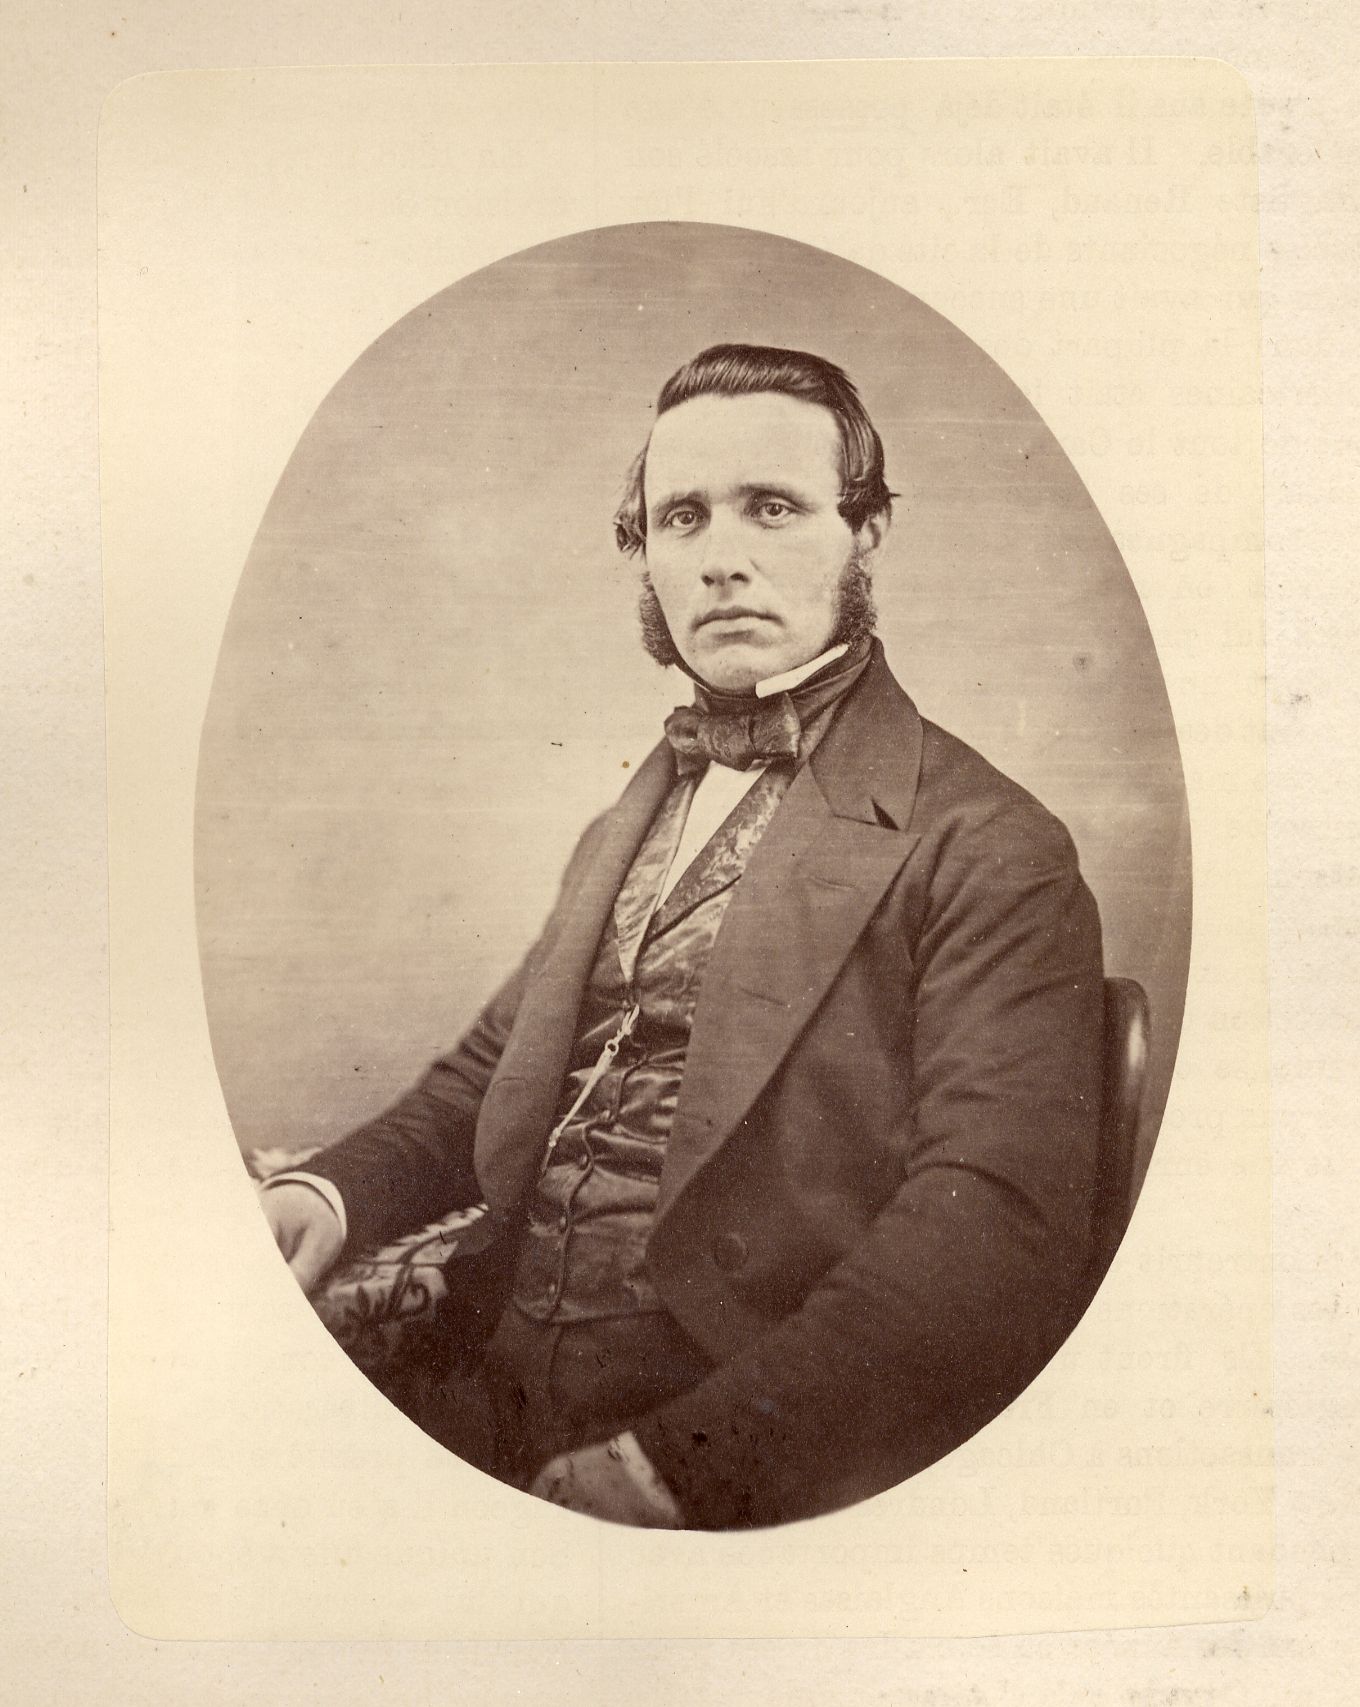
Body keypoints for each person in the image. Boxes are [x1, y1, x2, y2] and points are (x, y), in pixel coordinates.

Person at [261, 343, 1106, 1530]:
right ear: (646, 553)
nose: (721, 558)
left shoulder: (987, 844)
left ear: (865, 534)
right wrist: (330, 1193)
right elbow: (488, 1077)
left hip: (728, 1423)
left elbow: (991, 1224)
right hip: (489, 1378)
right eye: (682, 517)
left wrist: (685, 1464)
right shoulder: (630, 818)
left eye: (774, 508)